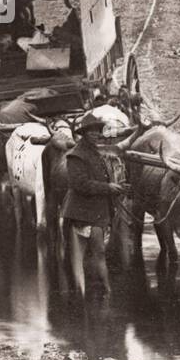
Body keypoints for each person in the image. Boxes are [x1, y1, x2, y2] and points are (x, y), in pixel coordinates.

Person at [61, 114, 127, 295]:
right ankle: (85, 292)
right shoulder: (75, 155)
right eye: (92, 131)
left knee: (98, 253)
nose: (96, 134)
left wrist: (115, 188)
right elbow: (79, 184)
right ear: (84, 134)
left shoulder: (95, 152)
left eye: (98, 131)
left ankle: (102, 291)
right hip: (81, 213)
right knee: (83, 255)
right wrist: (108, 187)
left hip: (98, 211)